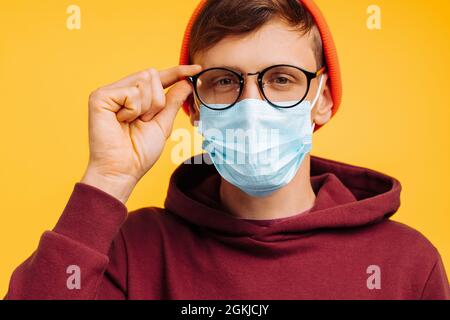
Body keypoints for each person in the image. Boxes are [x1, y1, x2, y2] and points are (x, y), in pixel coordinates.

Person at [5, 0, 449, 300]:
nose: (251, 107)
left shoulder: (407, 263)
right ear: (193, 106)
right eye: (224, 81)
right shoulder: (128, 250)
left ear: (324, 100)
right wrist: (107, 178)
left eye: (281, 79)